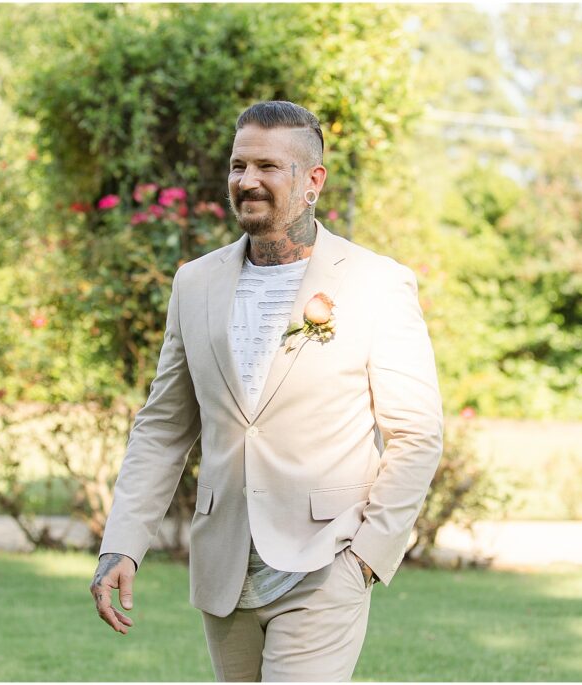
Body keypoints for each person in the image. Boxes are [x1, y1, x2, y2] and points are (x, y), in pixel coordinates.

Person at [91, 100, 444, 682]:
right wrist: (122, 545)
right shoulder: (194, 282)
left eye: (267, 167)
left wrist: (367, 556)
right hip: (224, 569)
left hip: (327, 564)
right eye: (237, 166)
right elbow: (163, 428)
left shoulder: (377, 283)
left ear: (313, 181)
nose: (246, 181)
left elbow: (416, 432)